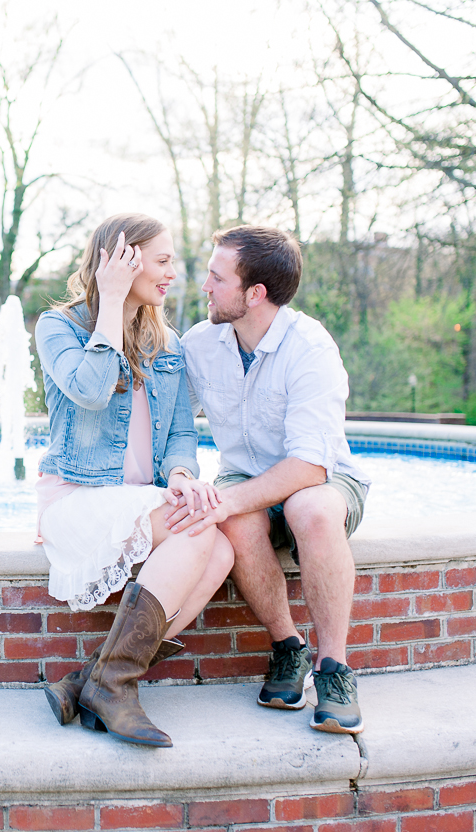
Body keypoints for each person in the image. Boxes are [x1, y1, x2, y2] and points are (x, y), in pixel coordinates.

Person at [34, 213, 234, 748]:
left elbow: (178, 436)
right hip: (79, 496)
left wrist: (183, 475)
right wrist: (112, 303)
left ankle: (98, 680)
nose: (173, 273)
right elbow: (92, 390)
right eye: (162, 260)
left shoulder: (165, 342)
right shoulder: (59, 328)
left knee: (220, 550)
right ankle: (110, 683)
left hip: (138, 499)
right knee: (198, 532)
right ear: (123, 259)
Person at [171, 224, 371, 734]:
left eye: (217, 278)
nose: (205, 287)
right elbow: (165, 419)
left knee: (310, 509)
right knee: (236, 521)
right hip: (246, 474)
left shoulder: (310, 348)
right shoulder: (200, 343)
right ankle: (289, 648)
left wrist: (227, 500)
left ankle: (334, 669)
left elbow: (310, 465)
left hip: (322, 481)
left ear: (254, 293)